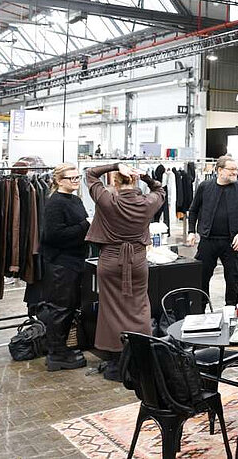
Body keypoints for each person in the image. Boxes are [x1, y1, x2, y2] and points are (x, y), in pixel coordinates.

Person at [85, 162, 166, 381]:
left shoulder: (107, 201)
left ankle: (116, 364)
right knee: (139, 307)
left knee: (110, 308)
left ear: (115, 181)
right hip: (137, 261)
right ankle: (138, 360)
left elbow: (90, 174)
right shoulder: (147, 203)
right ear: (135, 180)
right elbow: (160, 190)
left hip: (110, 260)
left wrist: (115, 165)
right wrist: (146, 177)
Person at [39, 163, 90, 372]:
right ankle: (56, 354)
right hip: (61, 263)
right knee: (60, 308)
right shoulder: (55, 203)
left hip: (74, 260)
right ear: (59, 181)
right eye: (72, 178)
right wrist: (85, 225)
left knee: (68, 306)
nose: (76, 181)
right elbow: (53, 236)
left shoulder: (75, 200)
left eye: (78, 177)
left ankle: (60, 350)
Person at [187, 156, 238, 306]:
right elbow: (193, 210)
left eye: (236, 169)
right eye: (231, 169)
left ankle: (231, 311)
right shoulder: (204, 186)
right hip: (208, 240)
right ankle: (201, 309)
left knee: (233, 279)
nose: (235, 172)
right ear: (220, 170)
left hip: (232, 242)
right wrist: (191, 231)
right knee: (202, 277)